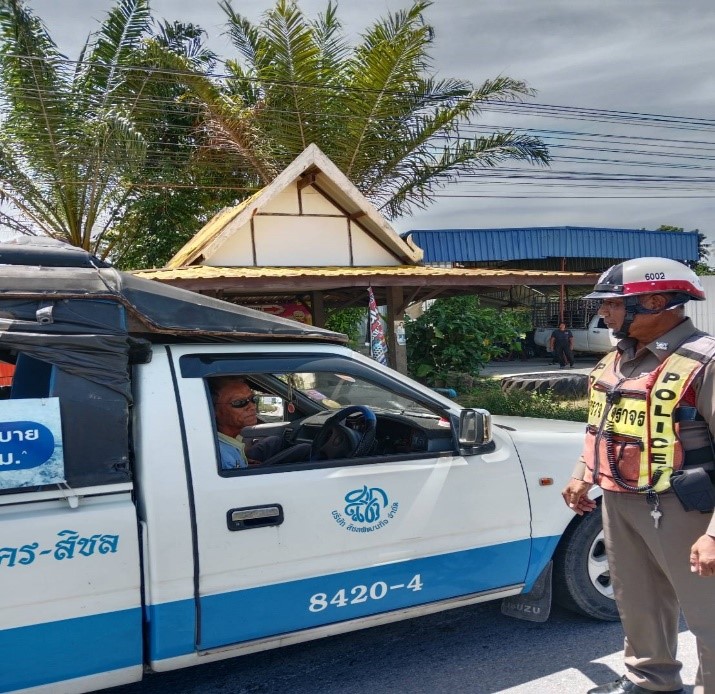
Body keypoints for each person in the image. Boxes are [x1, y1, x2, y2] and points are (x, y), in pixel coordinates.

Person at [561, 257, 715, 694]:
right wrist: (583, 472)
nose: (603, 312)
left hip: (687, 508)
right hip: (620, 501)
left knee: (709, 614)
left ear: (655, 302)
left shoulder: (705, 361)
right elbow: (604, 423)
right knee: (638, 601)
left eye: (612, 303)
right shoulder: (620, 358)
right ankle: (651, 682)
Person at [210, 376, 307, 469]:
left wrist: (245, 462)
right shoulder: (223, 457)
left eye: (253, 399)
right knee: (303, 450)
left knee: (274, 441)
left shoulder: (226, 440)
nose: (252, 406)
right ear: (212, 410)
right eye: (239, 402)